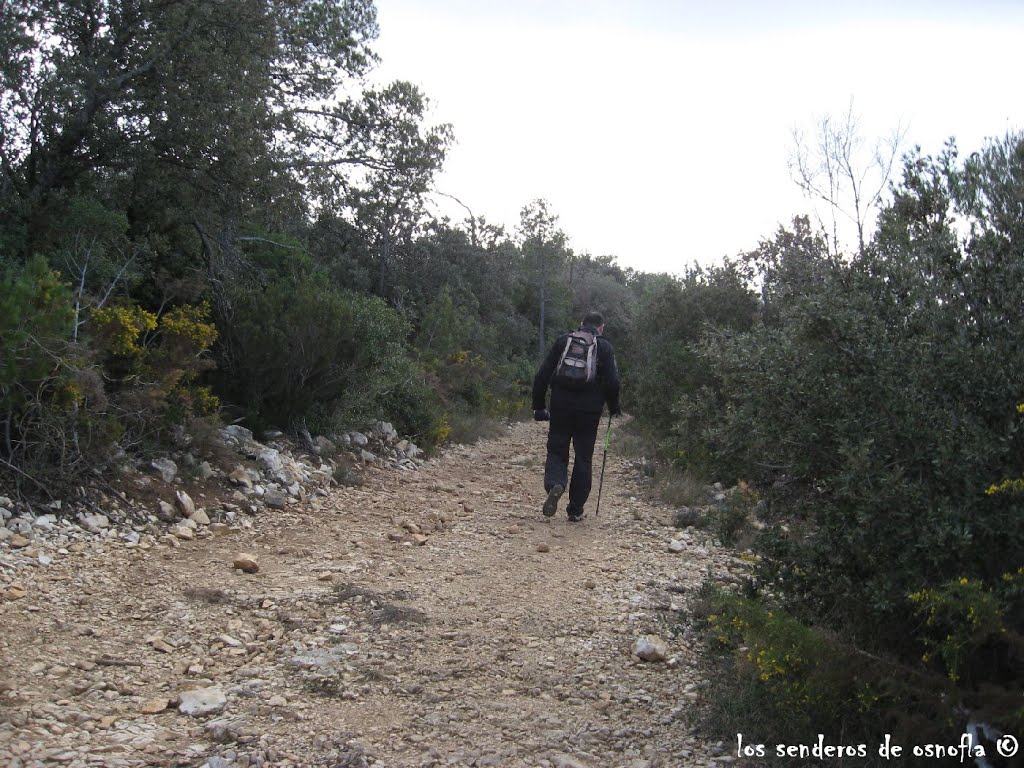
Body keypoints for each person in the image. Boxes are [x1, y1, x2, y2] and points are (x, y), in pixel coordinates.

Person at [532, 310, 621, 521]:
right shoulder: (605, 347)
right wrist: (614, 407)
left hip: (561, 406)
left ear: (581, 324)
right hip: (589, 412)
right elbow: (613, 382)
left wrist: (539, 406)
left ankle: (556, 483)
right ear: (602, 328)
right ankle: (575, 510)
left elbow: (542, 375)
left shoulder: (564, 341)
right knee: (583, 457)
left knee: (557, 450)